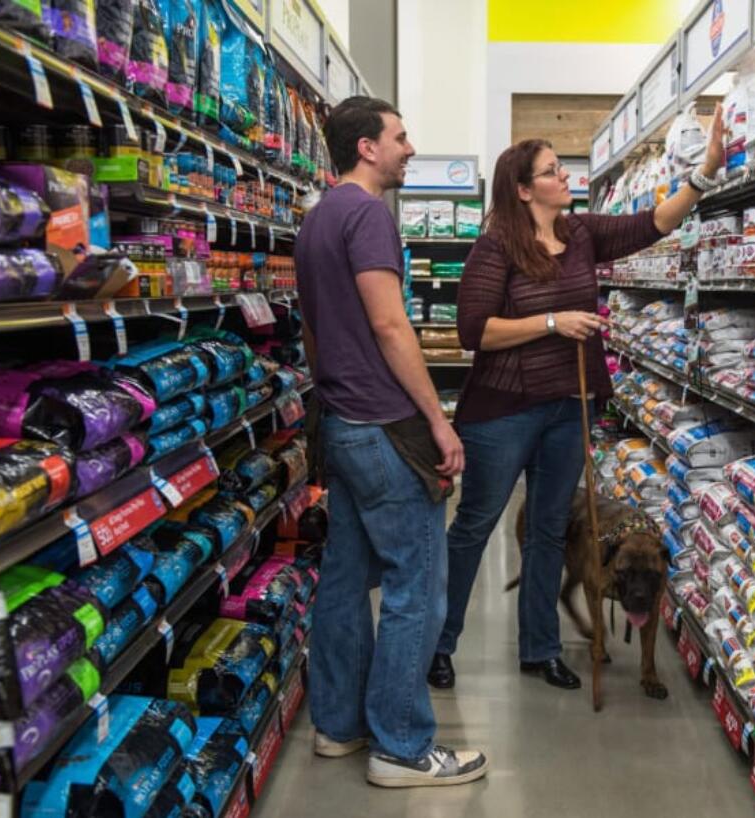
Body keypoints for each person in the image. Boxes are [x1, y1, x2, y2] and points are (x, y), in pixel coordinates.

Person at [427, 115, 725, 691]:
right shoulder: (495, 247)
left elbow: (656, 222)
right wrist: (550, 322)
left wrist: (705, 169)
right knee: (474, 526)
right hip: (503, 412)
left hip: (570, 407)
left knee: (546, 530)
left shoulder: (582, 233)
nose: (565, 176)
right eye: (551, 171)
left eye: (561, 168)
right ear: (522, 188)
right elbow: (473, 332)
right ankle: (439, 644)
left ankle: (539, 649)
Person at [296, 96, 487, 788]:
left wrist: (334, 393)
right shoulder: (369, 215)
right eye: (401, 137)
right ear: (367, 147)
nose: (410, 148)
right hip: (383, 427)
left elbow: (316, 331)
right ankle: (402, 748)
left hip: (342, 422)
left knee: (345, 581)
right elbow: (390, 325)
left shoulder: (315, 220)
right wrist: (438, 419)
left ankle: (339, 727)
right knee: (418, 587)